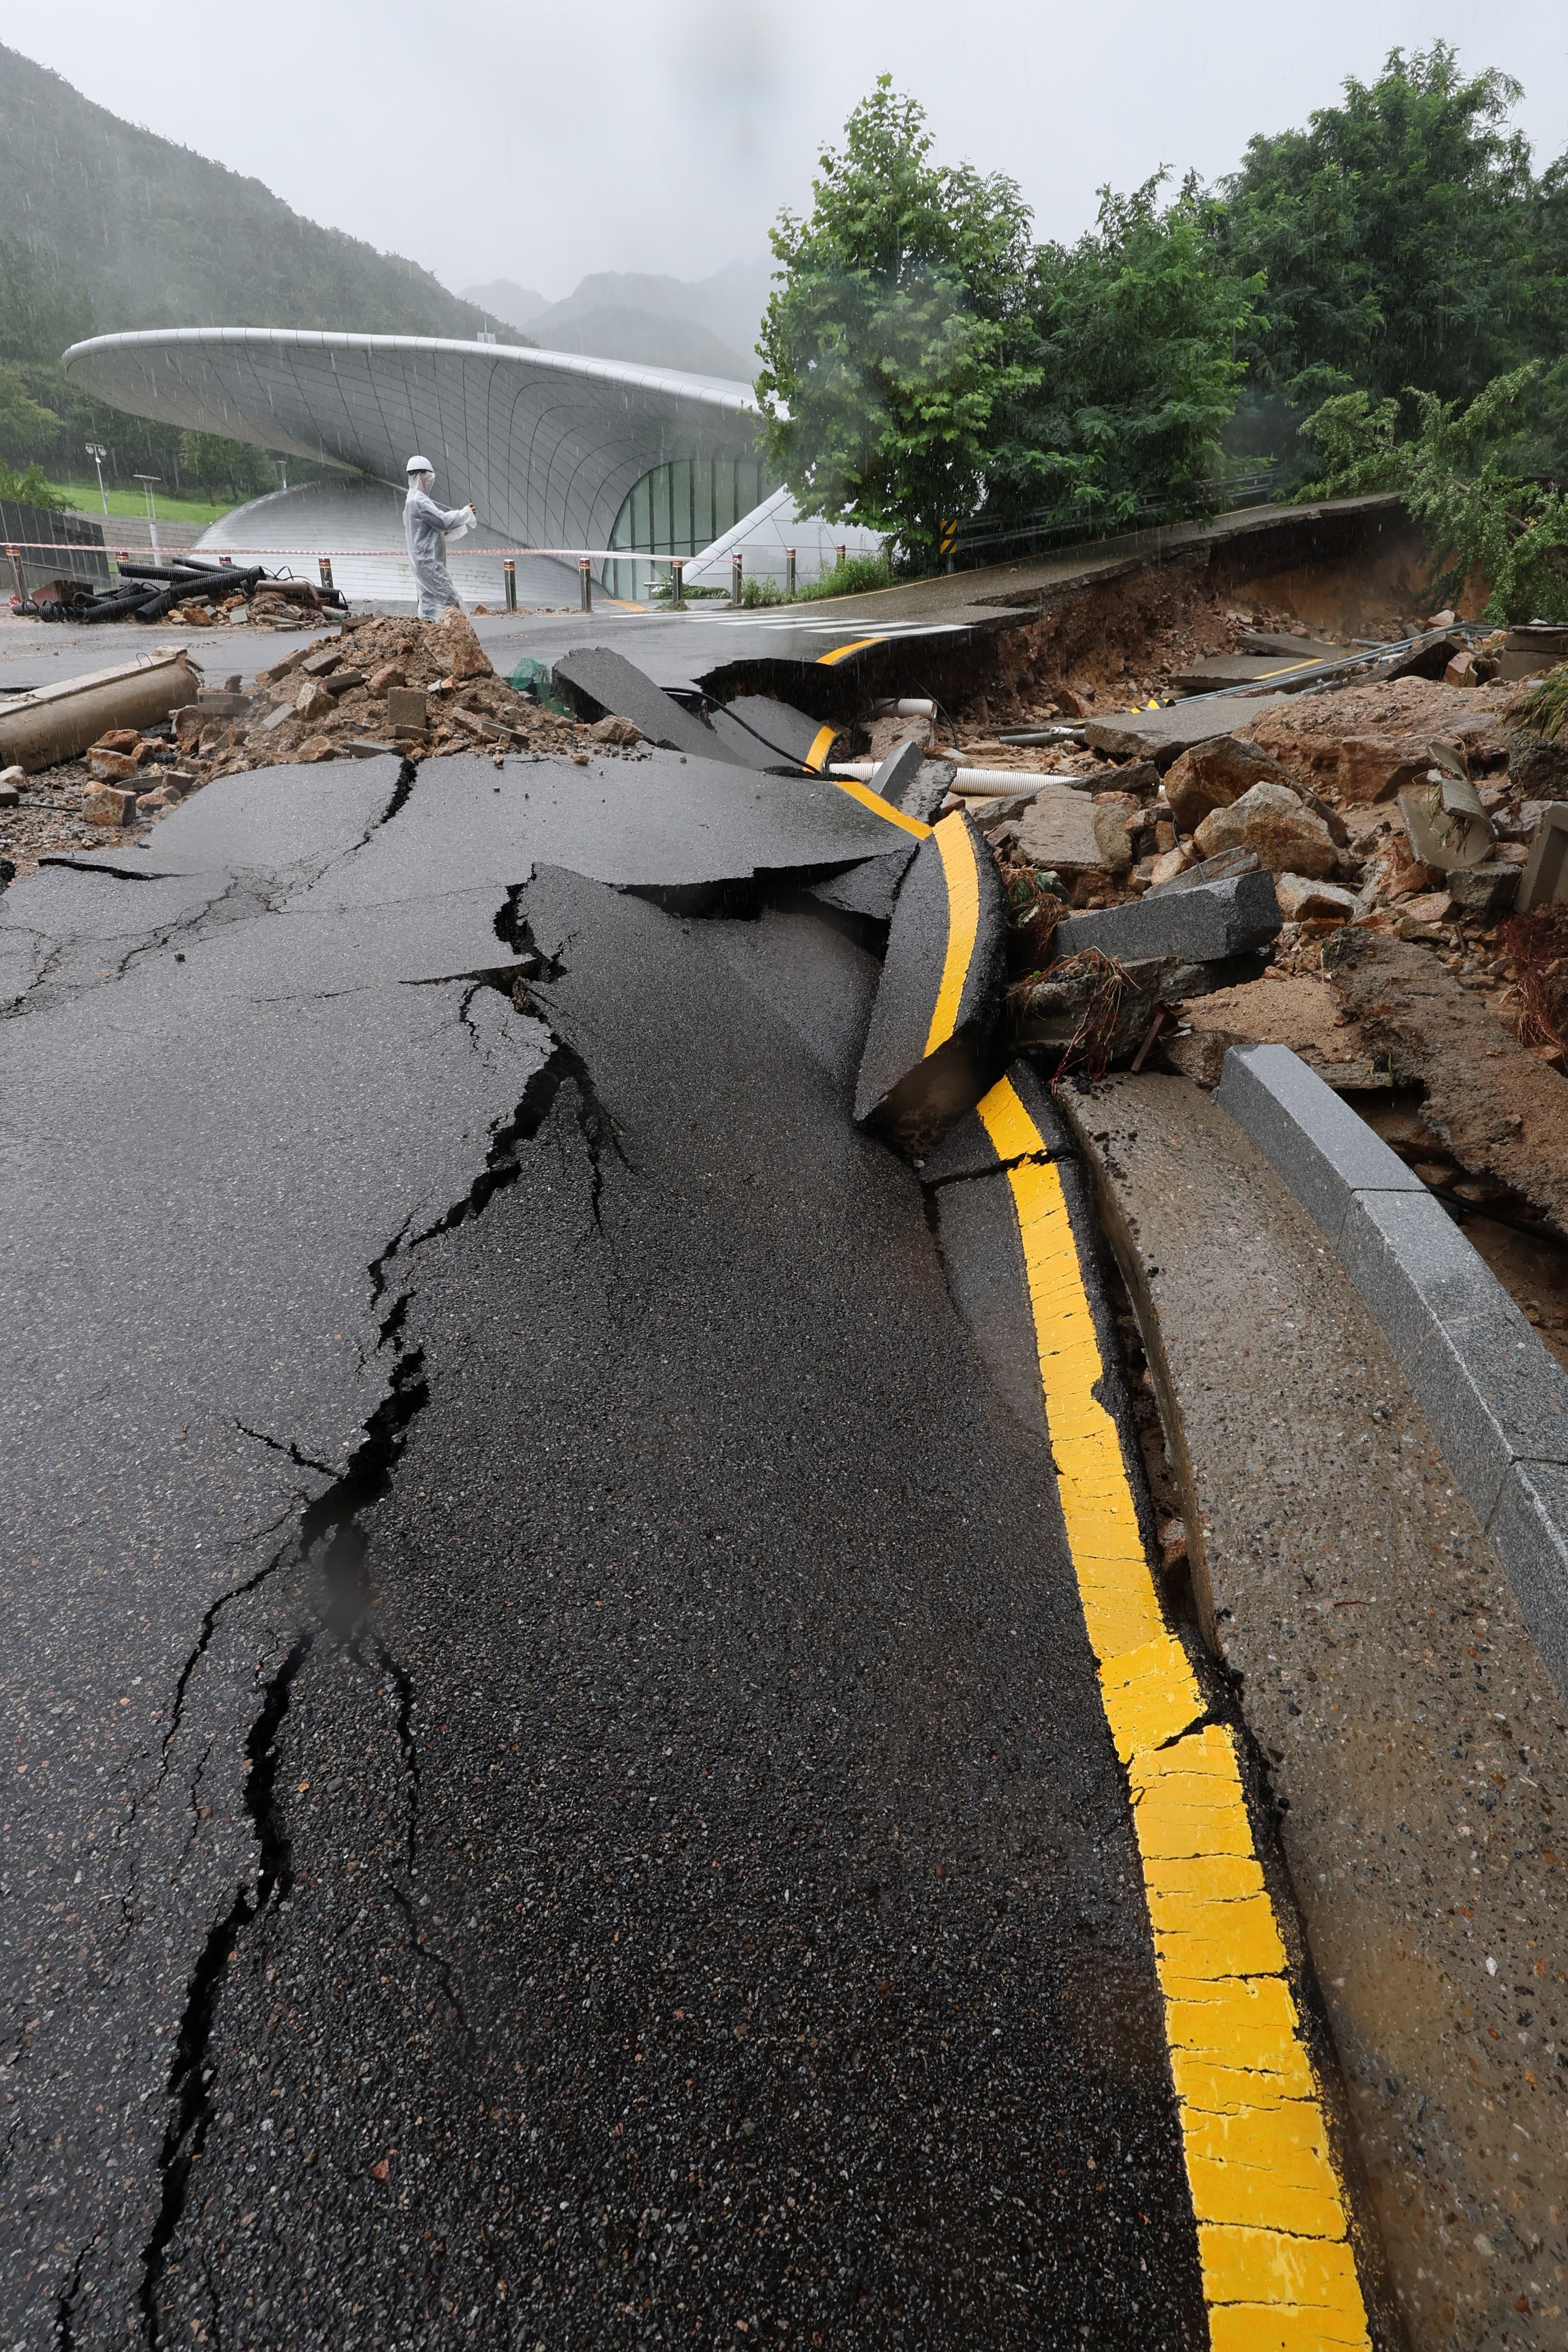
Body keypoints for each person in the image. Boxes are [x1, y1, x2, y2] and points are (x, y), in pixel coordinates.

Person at [403, 457, 477, 620]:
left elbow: (435, 528)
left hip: (423, 561)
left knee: (429, 602)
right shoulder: (419, 500)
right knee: (449, 598)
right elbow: (443, 522)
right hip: (429, 562)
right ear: (423, 477)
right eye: (430, 480)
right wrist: (465, 512)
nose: (431, 484)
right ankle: (455, 635)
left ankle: (430, 632)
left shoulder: (412, 499)